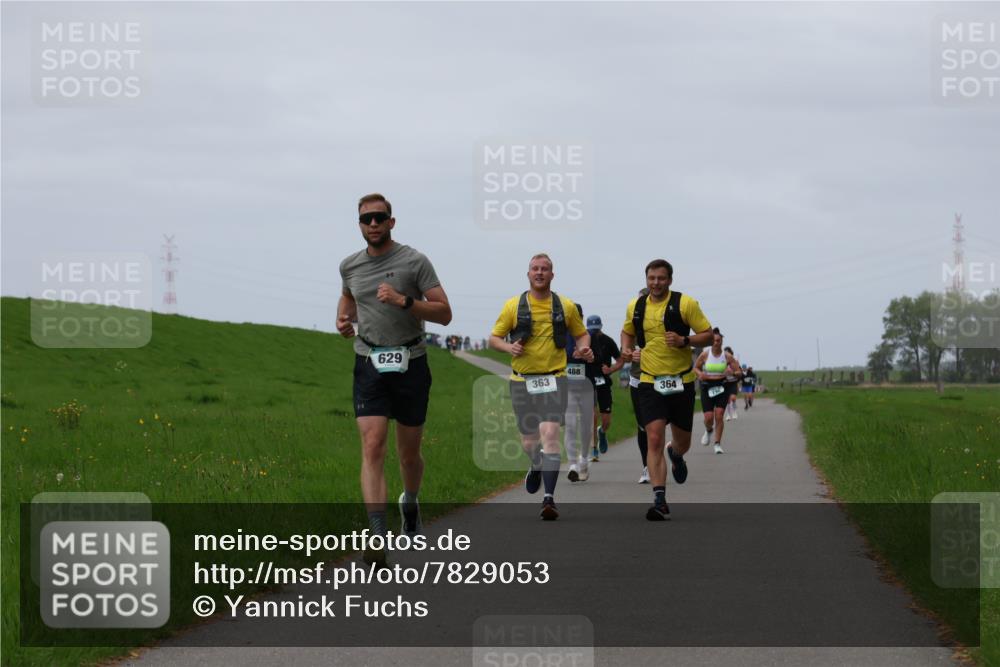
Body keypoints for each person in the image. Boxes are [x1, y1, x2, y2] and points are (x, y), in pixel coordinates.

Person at [336, 193, 452, 565]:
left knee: (408, 454)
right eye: (366, 219)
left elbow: (445, 313)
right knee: (372, 447)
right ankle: (376, 534)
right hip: (369, 361)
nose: (373, 224)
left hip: (411, 361)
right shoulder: (349, 266)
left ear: (391, 221)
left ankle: (411, 502)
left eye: (379, 218)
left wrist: (405, 302)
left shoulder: (414, 261)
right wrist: (342, 320)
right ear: (359, 224)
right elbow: (348, 300)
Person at [489, 254, 591, 520]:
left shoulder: (565, 306)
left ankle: (549, 499)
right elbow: (494, 338)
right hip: (522, 380)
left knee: (550, 434)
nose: (540, 273)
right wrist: (508, 346)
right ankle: (535, 463)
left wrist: (585, 348)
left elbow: (581, 333)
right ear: (528, 274)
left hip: (555, 378)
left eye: (545, 269)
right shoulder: (513, 306)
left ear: (552, 275)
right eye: (535, 269)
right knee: (529, 441)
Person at [620, 260, 713, 520]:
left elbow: (707, 334)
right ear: (646, 279)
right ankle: (659, 499)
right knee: (654, 438)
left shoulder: (686, 304)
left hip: (681, 381)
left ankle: (676, 455)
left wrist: (685, 340)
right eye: (652, 278)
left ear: (670, 280)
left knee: (682, 442)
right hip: (650, 381)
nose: (656, 283)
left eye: (661, 278)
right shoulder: (636, 306)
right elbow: (626, 331)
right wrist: (626, 350)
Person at [694, 329, 743, 454]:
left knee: (719, 415)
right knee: (708, 417)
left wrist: (732, 372)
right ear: (711, 342)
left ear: (721, 342)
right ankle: (709, 430)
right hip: (707, 386)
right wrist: (700, 374)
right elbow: (696, 368)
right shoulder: (705, 354)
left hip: (721, 386)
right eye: (714, 341)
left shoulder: (727, 356)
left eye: (719, 341)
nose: (716, 343)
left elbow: (739, 373)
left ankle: (717, 444)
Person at [585, 314, 624, 462]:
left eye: (596, 329)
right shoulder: (584, 341)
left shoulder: (608, 341)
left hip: (604, 383)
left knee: (606, 420)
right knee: (592, 417)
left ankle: (602, 432)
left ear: (601, 327)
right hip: (589, 382)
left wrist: (611, 369)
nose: (594, 333)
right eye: (591, 330)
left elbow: (620, 361)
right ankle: (593, 450)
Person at [564, 305, 595, 482]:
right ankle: (572, 464)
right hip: (567, 386)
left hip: (586, 386)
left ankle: (584, 459)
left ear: (581, 317)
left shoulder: (588, 335)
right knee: (570, 424)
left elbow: (599, 360)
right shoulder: (561, 337)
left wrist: (588, 356)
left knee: (585, 426)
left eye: (577, 316)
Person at [628, 288, 650, 483]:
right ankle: (647, 466)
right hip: (638, 379)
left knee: (663, 425)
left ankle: (674, 450)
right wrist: (629, 354)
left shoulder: (667, 323)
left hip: (663, 379)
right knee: (644, 426)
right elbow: (624, 350)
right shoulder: (632, 325)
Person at [723, 345, 740, 421]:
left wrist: (732, 373)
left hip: (733, 382)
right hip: (726, 382)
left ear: (731, 353)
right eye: (725, 353)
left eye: (728, 353)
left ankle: (734, 411)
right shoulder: (721, 362)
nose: (726, 354)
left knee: (733, 398)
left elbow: (740, 373)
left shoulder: (735, 361)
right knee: (727, 400)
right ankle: (729, 414)